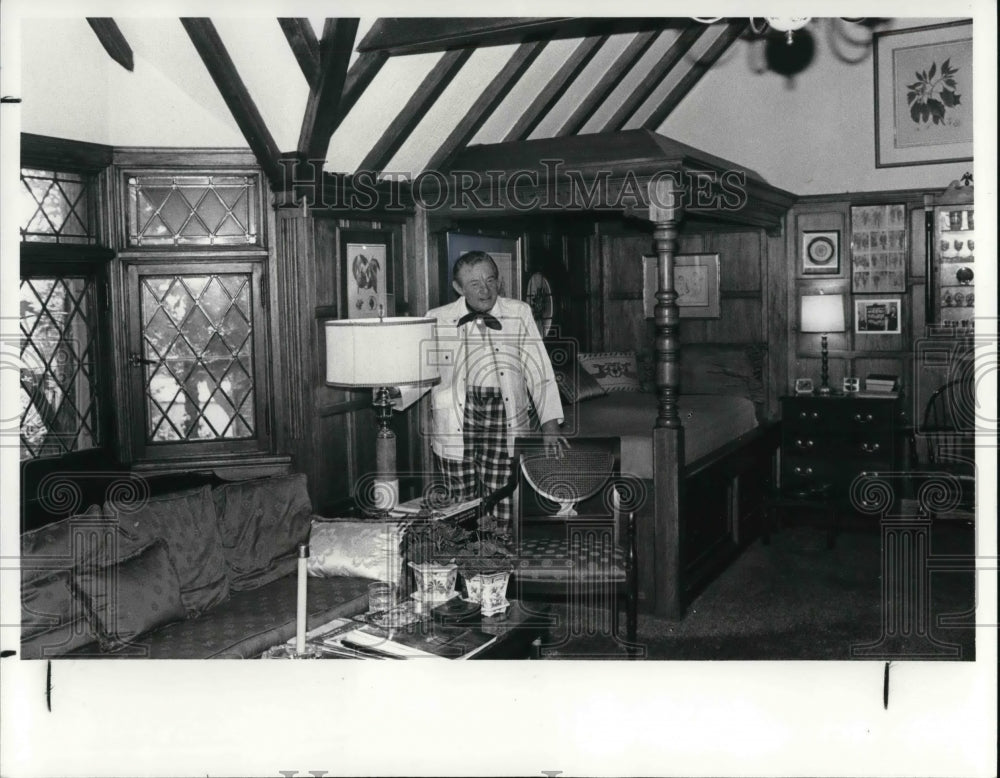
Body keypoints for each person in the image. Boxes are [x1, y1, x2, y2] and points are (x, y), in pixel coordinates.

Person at [394, 251, 567, 535]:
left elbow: (540, 371)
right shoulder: (437, 318)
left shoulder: (519, 312)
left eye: (490, 280)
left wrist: (550, 425)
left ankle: (496, 572)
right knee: (459, 506)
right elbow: (422, 373)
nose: (485, 289)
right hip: (456, 419)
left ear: (499, 281)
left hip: (504, 415)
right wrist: (395, 395)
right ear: (458, 288)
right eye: (474, 284)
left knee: (500, 501)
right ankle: (464, 572)